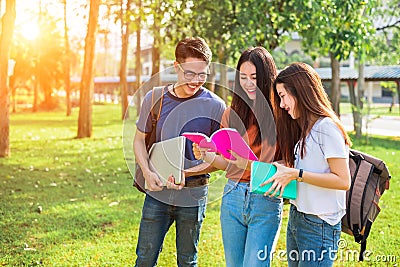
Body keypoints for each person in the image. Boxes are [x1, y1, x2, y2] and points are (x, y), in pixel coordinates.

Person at [133, 37, 226, 267]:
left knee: (187, 261)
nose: (196, 81)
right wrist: (147, 172)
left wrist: (191, 170)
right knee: (144, 260)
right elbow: (138, 141)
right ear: (176, 67)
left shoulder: (216, 107)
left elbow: (222, 158)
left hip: (194, 194)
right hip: (158, 192)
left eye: (202, 74)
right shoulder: (154, 98)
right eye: (190, 73)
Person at [193, 47, 282, 267]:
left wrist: (249, 164)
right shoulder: (232, 113)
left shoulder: (281, 114)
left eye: (254, 77)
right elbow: (228, 164)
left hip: (264, 197)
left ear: (266, 78)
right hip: (232, 195)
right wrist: (209, 156)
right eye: (243, 77)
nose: (248, 83)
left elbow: (286, 165)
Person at [263, 62, 352, 266]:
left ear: (300, 91)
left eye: (283, 96)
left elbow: (342, 180)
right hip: (298, 217)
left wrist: (297, 174)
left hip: (319, 224)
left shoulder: (326, 128)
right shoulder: (306, 129)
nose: (282, 104)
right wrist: (281, 169)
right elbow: (306, 166)